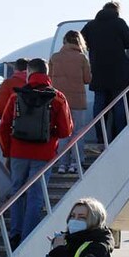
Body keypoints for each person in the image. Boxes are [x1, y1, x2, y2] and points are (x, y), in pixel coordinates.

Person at [0, 58, 73, 248]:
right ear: (47, 73)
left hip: (18, 152)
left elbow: (4, 126)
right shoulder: (57, 97)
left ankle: (15, 233)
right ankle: (28, 236)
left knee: (17, 192)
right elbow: (66, 131)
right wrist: (51, 134)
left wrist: (8, 152)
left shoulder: (16, 97)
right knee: (36, 195)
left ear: (29, 73)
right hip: (44, 154)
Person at [81, 1, 129, 141]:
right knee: (119, 105)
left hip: (98, 70)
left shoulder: (91, 25)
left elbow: (82, 42)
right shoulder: (119, 22)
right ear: (116, 10)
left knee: (99, 105)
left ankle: (100, 136)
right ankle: (120, 136)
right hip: (118, 71)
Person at [50, 30, 93, 171]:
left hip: (59, 101)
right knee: (77, 132)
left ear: (64, 41)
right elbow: (87, 79)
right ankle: (76, 162)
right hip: (78, 101)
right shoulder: (82, 58)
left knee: (62, 132)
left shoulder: (55, 58)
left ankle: (62, 163)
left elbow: (49, 78)